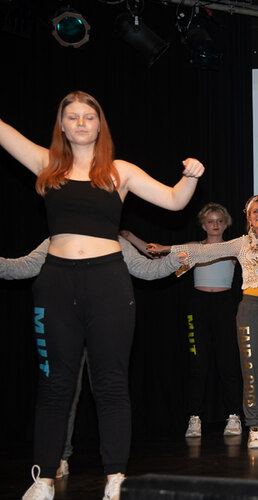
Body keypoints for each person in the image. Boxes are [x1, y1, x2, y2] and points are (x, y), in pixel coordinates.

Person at [0, 90, 204, 500]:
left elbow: (173, 200)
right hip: (55, 284)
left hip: (107, 283)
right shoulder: (47, 164)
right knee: (54, 384)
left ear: (99, 125)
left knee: (110, 382)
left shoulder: (117, 171)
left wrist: (192, 176)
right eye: (72, 116)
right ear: (62, 125)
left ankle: (115, 478)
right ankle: (43, 479)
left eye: (88, 117)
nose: (80, 123)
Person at [1, 236, 187, 479]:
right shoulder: (58, 237)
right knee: (62, 391)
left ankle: (114, 474)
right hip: (66, 321)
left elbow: (145, 269)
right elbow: (24, 267)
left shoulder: (114, 239)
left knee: (110, 390)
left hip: (105, 320)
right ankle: (58, 458)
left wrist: (176, 260)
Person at [166, 195, 258, 450]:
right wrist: (168, 250)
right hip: (249, 309)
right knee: (250, 372)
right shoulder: (241, 244)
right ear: (248, 218)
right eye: (255, 212)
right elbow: (204, 250)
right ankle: (253, 426)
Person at [127, 203, 243, 439]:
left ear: (226, 224)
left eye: (220, 221)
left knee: (228, 363)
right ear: (203, 225)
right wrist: (129, 237)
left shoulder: (233, 248)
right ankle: (194, 417)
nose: (215, 225)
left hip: (224, 306)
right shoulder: (192, 248)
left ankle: (234, 415)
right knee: (198, 364)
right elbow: (156, 253)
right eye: (210, 221)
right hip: (199, 306)